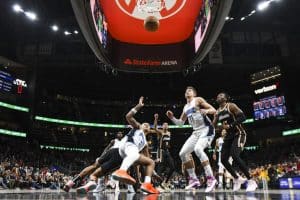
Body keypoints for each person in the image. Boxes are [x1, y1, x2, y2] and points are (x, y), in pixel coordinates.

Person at [166, 86, 217, 192]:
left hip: (207, 129)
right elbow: (180, 123)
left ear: (194, 93)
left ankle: (211, 178)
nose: (187, 92)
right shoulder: (185, 107)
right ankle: (193, 179)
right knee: (183, 153)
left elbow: (214, 110)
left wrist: (206, 111)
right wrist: (172, 118)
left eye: (189, 90)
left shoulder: (198, 100)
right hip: (196, 132)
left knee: (198, 149)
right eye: (186, 91)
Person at [112, 96, 159, 194]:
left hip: (125, 153)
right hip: (127, 145)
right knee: (134, 155)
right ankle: (121, 171)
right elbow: (128, 116)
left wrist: (153, 173)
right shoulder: (138, 127)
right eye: (144, 124)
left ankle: (146, 184)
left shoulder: (145, 143)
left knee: (151, 162)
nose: (145, 125)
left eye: (147, 125)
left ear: (149, 130)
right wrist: (139, 106)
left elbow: (148, 159)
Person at [213, 92, 257, 192]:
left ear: (226, 98)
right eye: (218, 95)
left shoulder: (231, 106)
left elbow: (243, 117)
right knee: (223, 160)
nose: (219, 96)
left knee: (234, 155)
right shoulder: (217, 112)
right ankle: (237, 179)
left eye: (221, 95)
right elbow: (213, 127)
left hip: (239, 133)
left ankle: (251, 181)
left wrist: (231, 125)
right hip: (228, 137)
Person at [153, 113, 175, 190]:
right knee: (160, 167)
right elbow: (155, 128)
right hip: (161, 151)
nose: (165, 125)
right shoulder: (160, 132)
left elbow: (167, 143)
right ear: (162, 126)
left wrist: (168, 146)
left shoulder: (169, 133)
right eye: (164, 125)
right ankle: (158, 185)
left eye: (167, 124)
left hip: (167, 151)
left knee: (172, 167)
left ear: (168, 126)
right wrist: (156, 118)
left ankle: (165, 182)